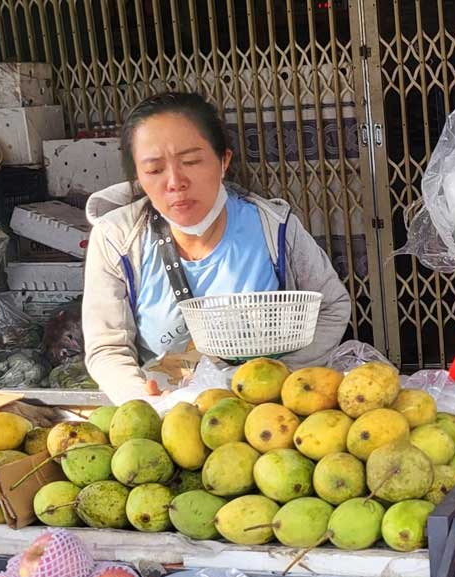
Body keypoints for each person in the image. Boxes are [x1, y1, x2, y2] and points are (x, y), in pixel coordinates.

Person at [82, 92, 351, 403]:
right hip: (168, 421)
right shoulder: (117, 238)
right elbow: (107, 347)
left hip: (266, 414)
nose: (175, 182)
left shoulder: (274, 226)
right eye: (155, 170)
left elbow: (332, 307)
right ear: (138, 178)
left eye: (192, 161)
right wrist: (145, 401)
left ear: (224, 161)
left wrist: (275, 378)